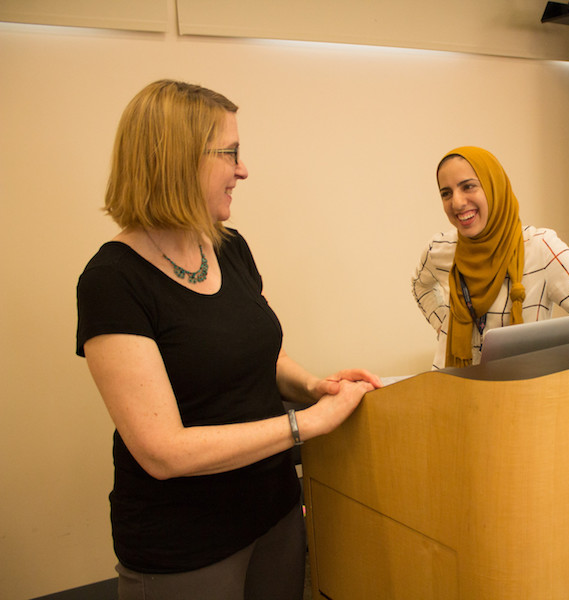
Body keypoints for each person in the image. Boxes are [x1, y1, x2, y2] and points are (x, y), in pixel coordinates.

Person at [76, 79, 381, 600]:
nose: (243, 170)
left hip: (274, 514)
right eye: (231, 153)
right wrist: (306, 424)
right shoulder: (112, 280)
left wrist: (312, 385)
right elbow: (162, 451)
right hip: (184, 546)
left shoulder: (229, 247)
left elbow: (257, 352)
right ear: (178, 158)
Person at [412, 146, 569, 369]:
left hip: (519, 394)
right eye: (446, 193)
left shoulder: (540, 247)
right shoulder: (440, 249)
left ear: (494, 187)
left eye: (468, 186)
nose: (457, 202)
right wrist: (446, 327)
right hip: (453, 390)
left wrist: (560, 364)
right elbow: (419, 286)